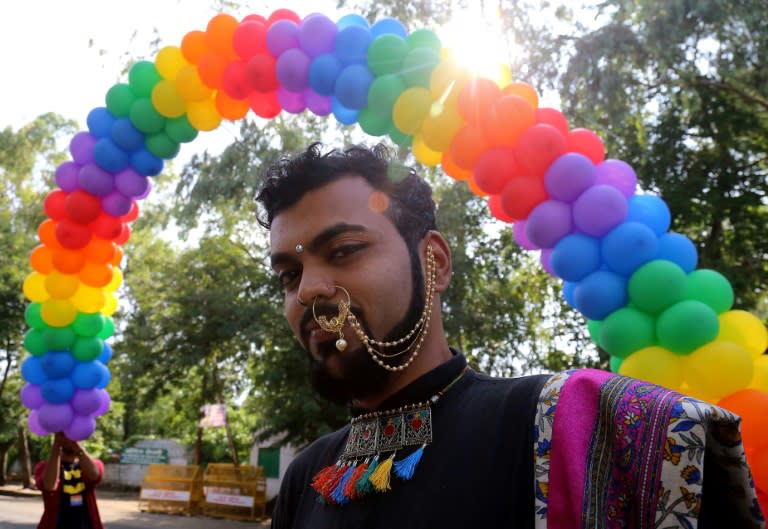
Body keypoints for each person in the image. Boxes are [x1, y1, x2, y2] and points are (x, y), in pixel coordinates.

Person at [256, 143, 765, 529]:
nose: (309, 291)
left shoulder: (578, 425)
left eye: (343, 250)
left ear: (434, 260)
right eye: (288, 275)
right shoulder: (307, 476)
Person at [33, 432, 105, 529]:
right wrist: (57, 445)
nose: (68, 437)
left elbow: (95, 476)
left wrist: (76, 446)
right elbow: (49, 486)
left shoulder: (94, 464)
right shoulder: (44, 467)